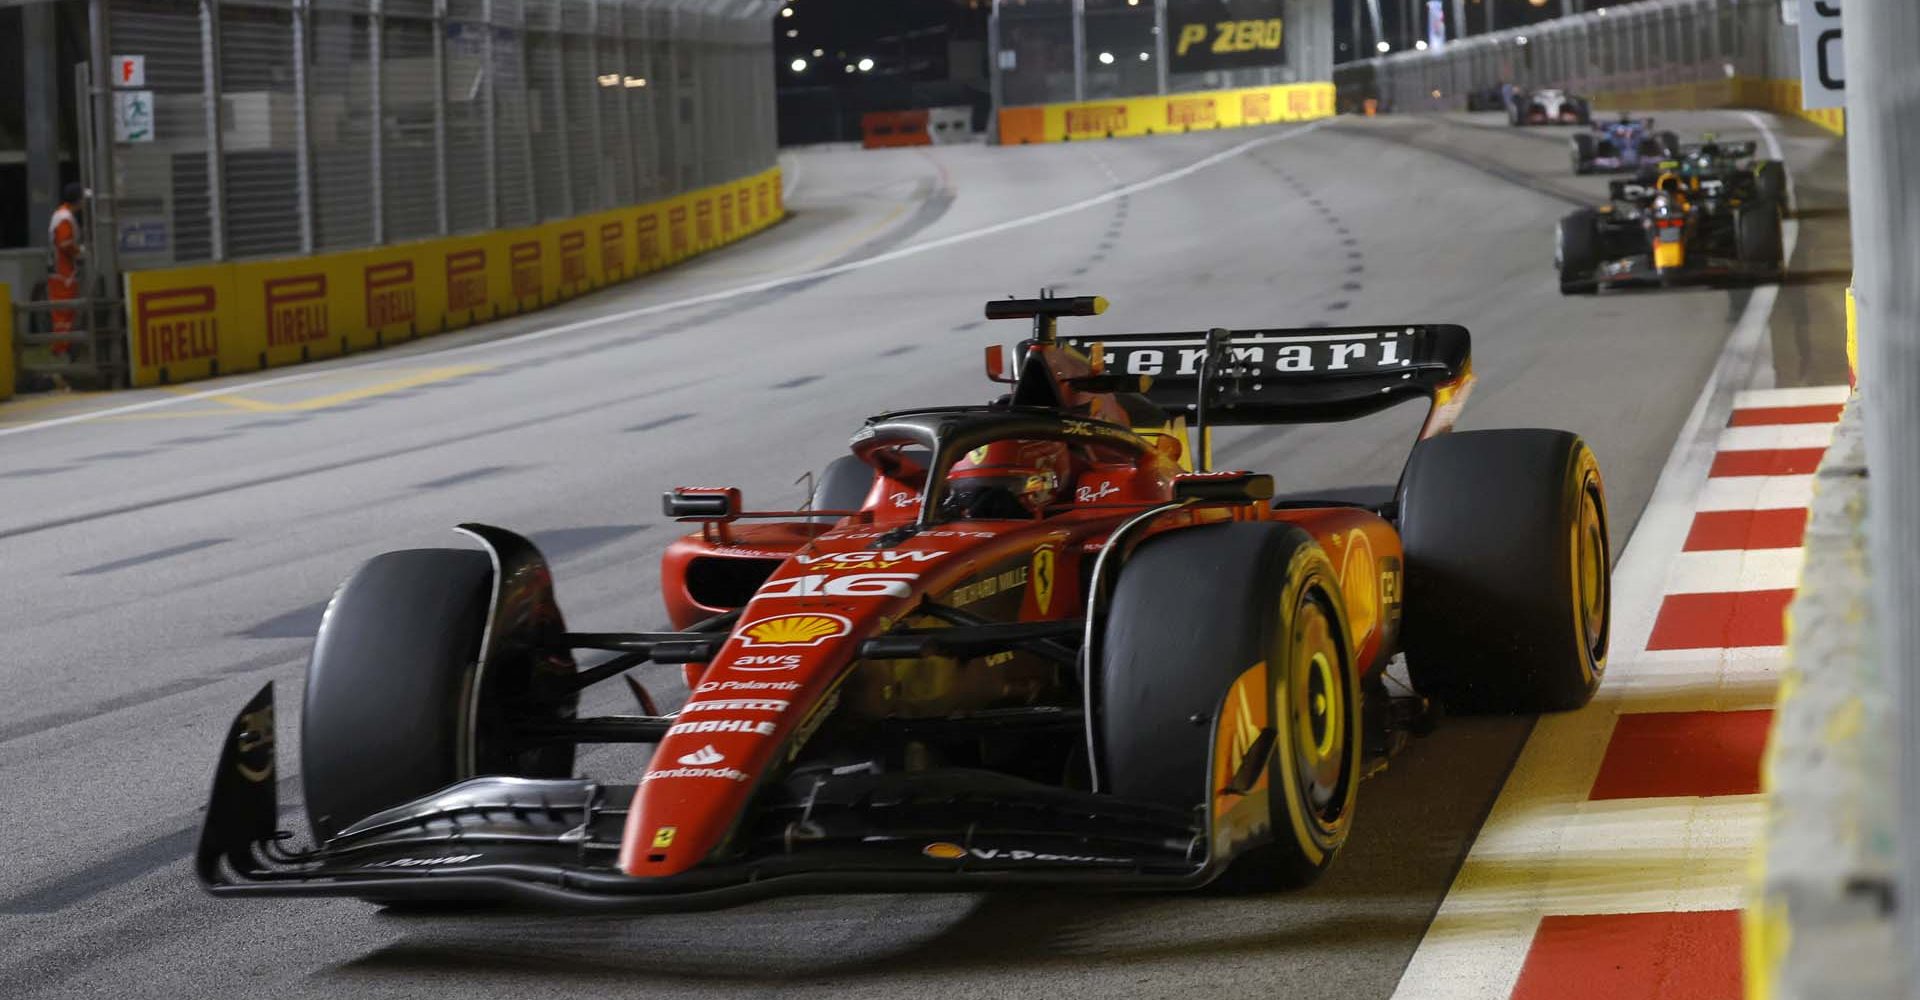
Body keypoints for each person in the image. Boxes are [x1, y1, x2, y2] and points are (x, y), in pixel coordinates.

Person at [46, 182, 87, 361]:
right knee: (63, 314)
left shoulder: (64, 215)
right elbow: (65, 243)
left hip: (63, 273)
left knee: (66, 313)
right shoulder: (64, 217)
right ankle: (61, 353)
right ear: (77, 200)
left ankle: (64, 350)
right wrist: (80, 252)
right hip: (62, 275)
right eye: (83, 199)